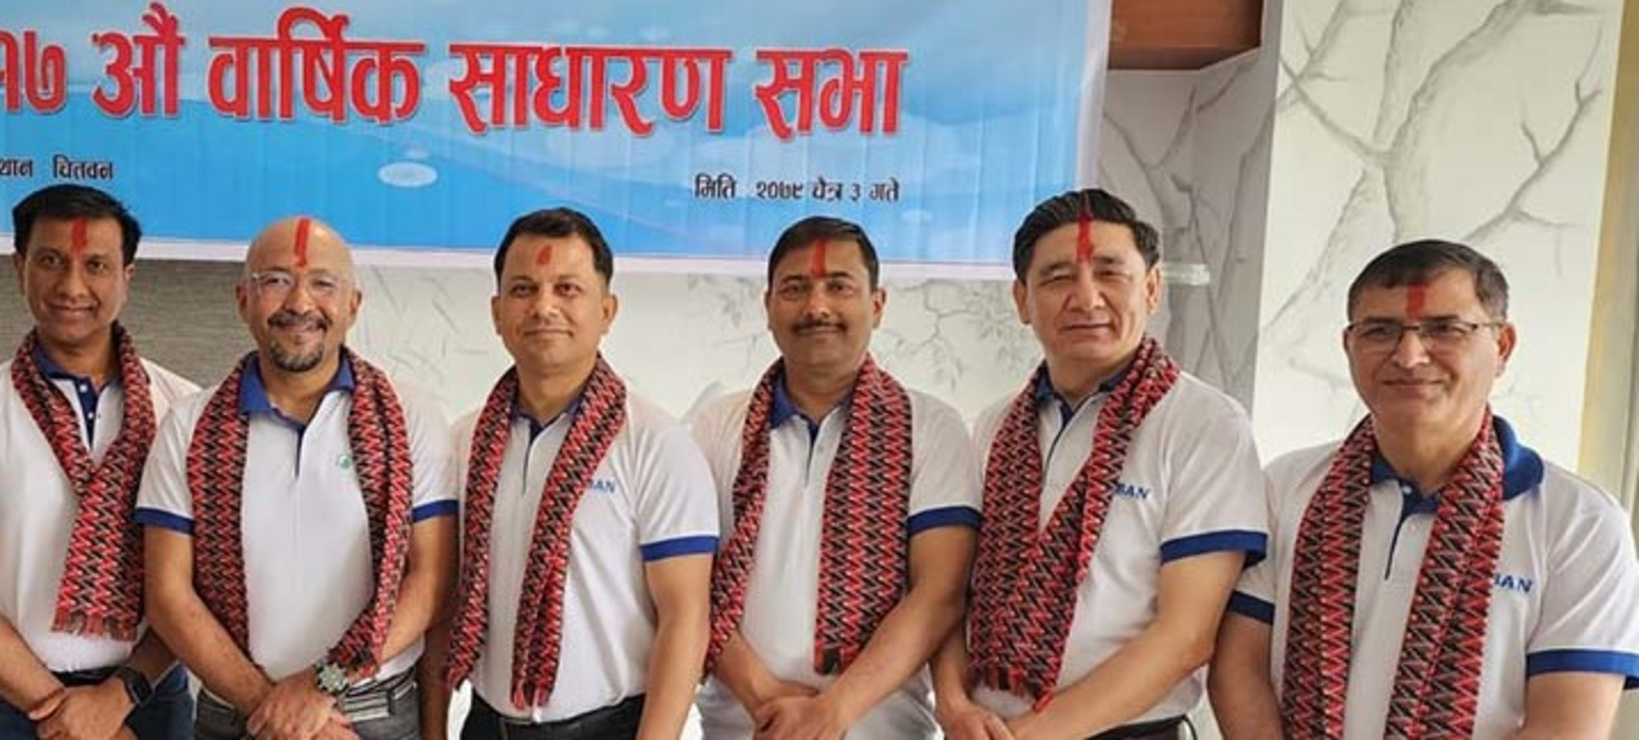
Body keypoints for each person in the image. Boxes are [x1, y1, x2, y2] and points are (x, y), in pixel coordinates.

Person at [1209, 239, 1639, 738]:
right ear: (1348, 346)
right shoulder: (1287, 488)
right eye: (1380, 330)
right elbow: (1239, 667)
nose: (1409, 356)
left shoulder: (1579, 522)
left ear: (1502, 346)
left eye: (1444, 329)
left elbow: (1565, 727)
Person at [933, 188, 1266, 740]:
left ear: (1152, 289)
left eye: (1110, 273)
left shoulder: (1203, 424)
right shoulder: (996, 425)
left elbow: (1186, 636)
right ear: (1022, 299)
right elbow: (948, 589)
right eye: (1058, 277)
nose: (1086, 299)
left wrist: (1030, 737)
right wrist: (951, 704)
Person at [138, 217, 456, 740]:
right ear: (243, 299)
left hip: (371, 713)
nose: (300, 303)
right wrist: (275, 709)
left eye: (323, 283)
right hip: (234, 710)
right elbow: (168, 595)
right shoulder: (188, 426)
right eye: (276, 280)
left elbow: (433, 580)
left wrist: (319, 688)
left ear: (353, 304)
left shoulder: (409, 416)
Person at [0, 184, 199, 738]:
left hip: (146, 694)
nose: (72, 286)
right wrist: (71, 716)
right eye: (50, 261)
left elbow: (199, 586)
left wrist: (116, 699)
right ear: (19, 268)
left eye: (96, 265)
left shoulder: (184, 410)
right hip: (0, 701)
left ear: (127, 278)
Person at [691, 216, 980, 739]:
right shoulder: (717, 426)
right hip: (743, 726)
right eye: (795, 289)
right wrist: (764, 697)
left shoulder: (931, 427)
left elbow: (939, 593)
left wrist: (832, 713)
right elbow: (689, 588)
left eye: (839, 287)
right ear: (768, 306)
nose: (817, 307)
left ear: (877, 304)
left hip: (883, 730)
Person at [444, 207, 718, 740]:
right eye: (523, 289)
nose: (544, 307)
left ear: (607, 310)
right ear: (497, 312)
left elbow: (685, 616)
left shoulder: (655, 444)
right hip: (487, 725)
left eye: (567, 289)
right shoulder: (465, 441)